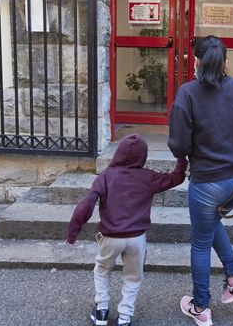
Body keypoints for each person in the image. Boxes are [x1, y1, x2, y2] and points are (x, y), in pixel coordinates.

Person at [168, 35, 233, 326]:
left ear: (196, 61)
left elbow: (179, 146)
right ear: (225, 61)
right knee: (212, 223)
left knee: (200, 243)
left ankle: (201, 307)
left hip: (208, 183)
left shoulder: (187, 93)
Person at [66, 133, 188, 326]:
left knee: (102, 269)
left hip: (109, 236)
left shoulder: (106, 177)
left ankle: (101, 312)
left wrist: (74, 230)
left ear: (119, 154)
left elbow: (87, 203)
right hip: (137, 238)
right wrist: (182, 157)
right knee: (133, 276)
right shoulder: (148, 177)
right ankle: (124, 317)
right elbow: (176, 178)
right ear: (143, 156)